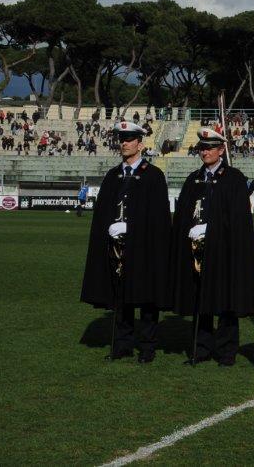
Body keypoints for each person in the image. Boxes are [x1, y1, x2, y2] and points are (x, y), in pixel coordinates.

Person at [80, 121, 171, 363]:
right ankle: (122, 345)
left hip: (145, 248)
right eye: (122, 139)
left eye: (129, 139)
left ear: (140, 144)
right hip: (117, 248)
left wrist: (133, 227)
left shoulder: (153, 176)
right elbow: (103, 212)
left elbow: (159, 217)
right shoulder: (113, 176)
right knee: (121, 299)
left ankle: (148, 348)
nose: (124, 143)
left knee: (146, 298)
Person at [170, 128, 254, 366]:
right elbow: (183, 215)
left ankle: (226, 351)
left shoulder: (233, 178)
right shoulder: (193, 179)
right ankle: (200, 348)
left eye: (210, 147)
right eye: (202, 147)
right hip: (196, 250)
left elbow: (239, 219)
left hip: (224, 251)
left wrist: (213, 229)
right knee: (200, 299)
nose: (205, 151)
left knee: (225, 299)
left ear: (221, 150)